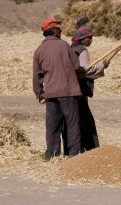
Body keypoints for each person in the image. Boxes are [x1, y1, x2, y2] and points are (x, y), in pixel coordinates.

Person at [33, 18, 84, 161]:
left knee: (53, 125)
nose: (61, 31)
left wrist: (39, 92)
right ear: (53, 30)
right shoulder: (64, 46)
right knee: (72, 124)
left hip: (50, 93)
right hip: (68, 91)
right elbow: (76, 67)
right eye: (59, 29)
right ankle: (74, 156)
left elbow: (37, 76)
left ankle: (52, 155)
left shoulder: (39, 51)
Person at [70, 23, 109, 152]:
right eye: (89, 37)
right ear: (82, 39)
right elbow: (87, 70)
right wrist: (103, 65)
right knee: (86, 121)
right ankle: (92, 149)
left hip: (72, 89)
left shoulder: (71, 48)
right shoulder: (82, 50)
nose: (91, 40)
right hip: (80, 89)